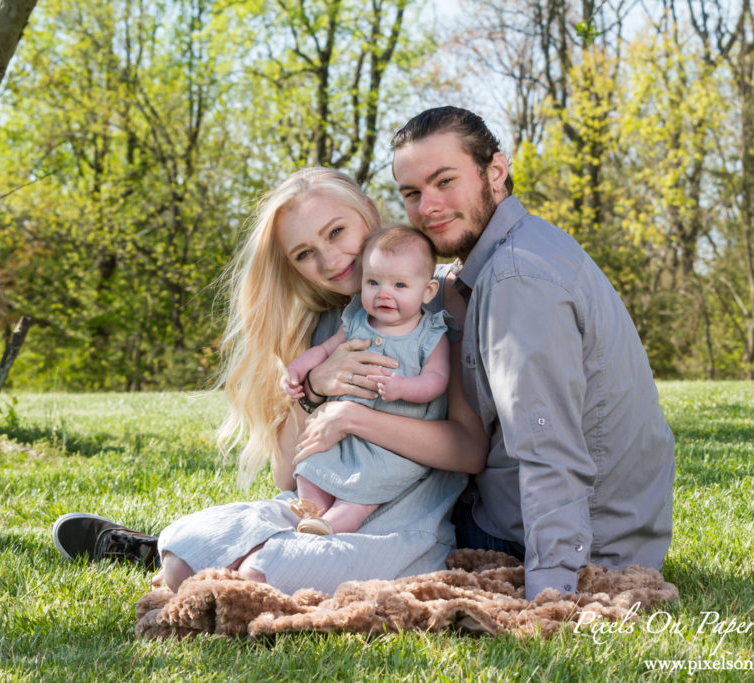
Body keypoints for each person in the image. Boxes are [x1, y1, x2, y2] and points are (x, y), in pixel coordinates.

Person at [52, 167, 488, 594]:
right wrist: (315, 388)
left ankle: (212, 566)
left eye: (336, 232)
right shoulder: (318, 328)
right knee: (193, 539)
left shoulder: (439, 304)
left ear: (369, 213)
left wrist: (352, 416)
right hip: (315, 506)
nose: (330, 260)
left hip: (403, 521)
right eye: (304, 254)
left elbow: (469, 451)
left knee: (270, 568)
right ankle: (171, 553)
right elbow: (286, 475)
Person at [388, 106, 676, 600]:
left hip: (569, 546)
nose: (427, 207)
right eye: (412, 193)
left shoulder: (518, 278)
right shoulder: (516, 251)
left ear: (494, 173)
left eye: (444, 182)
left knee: (374, 525)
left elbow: (548, 447)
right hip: (578, 525)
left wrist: (551, 592)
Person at [282, 226, 451, 535]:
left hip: (392, 444)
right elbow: (325, 349)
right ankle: (312, 510)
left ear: (427, 291)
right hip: (342, 436)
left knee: (362, 494)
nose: (384, 293)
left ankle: (336, 524)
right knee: (311, 462)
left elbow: (437, 380)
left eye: (400, 285)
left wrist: (404, 388)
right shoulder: (357, 319)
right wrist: (298, 368)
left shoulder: (430, 334)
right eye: (373, 282)